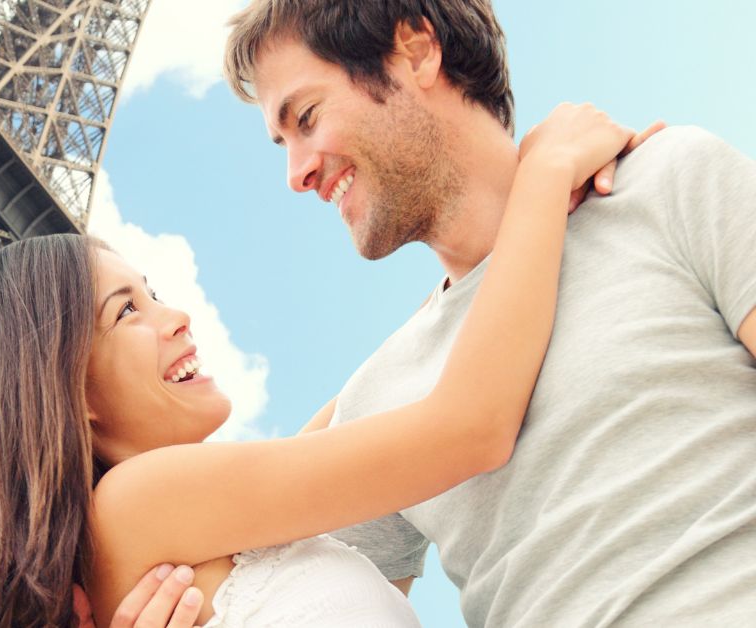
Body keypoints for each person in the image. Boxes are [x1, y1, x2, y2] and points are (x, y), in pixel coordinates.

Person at [111, 0, 755, 625]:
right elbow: (324, 604)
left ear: (416, 51)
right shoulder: (380, 396)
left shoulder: (667, 180)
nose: (296, 173)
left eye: (305, 116)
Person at [0, 96, 652, 624]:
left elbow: (379, 389)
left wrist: (469, 269)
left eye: (155, 291)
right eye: (126, 311)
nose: (176, 317)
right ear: (68, 396)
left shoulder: (195, 523)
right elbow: (471, 427)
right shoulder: (143, 500)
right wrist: (544, 179)